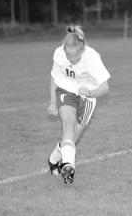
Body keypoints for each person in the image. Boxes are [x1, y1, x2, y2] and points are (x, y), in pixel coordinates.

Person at [47, 25, 111, 184]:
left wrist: (90, 93)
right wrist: (53, 102)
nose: (71, 59)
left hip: (87, 97)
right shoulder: (59, 53)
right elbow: (55, 78)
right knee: (68, 126)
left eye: (75, 55)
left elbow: (105, 88)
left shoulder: (92, 57)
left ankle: (54, 158)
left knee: (72, 137)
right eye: (68, 54)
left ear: (82, 49)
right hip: (65, 91)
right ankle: (68, 168)